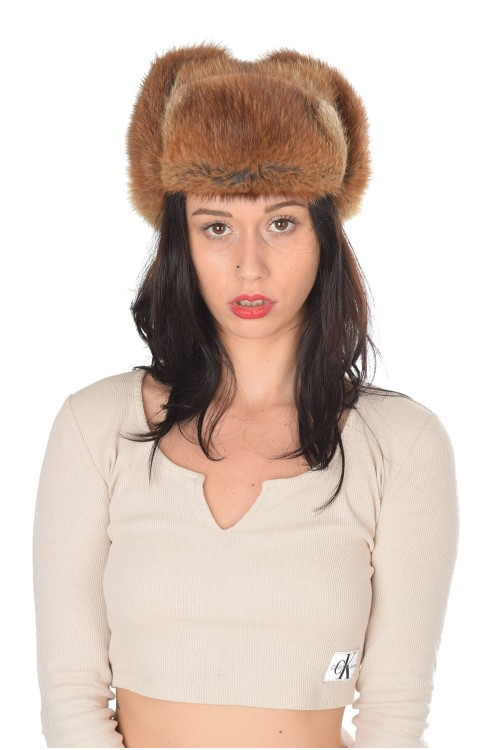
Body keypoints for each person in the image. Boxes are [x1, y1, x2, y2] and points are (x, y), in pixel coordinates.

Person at [32, 43, 459, 748]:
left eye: (281, 222)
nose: (249, 264)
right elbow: (71, 697)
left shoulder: (402, 446)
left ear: (325, 236)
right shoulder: (95, 427)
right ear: (182, 241)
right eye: (217, 226)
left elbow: (393, 712)